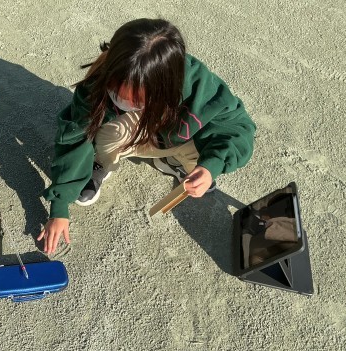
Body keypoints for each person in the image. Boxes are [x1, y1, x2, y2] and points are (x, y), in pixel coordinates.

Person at [38, 19, 256, 254]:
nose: (123, 101)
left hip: (174, 137)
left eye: (137, 100)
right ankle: (100, 163)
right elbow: (74, 141)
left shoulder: (199, 84)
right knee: (108, 133)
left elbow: (238, 128)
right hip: (135, 133)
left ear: (167, 86)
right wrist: (60, 205)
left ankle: (172, 161)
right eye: (116, 92)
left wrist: (210, 167)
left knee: (205, 158)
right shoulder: (97, 82)